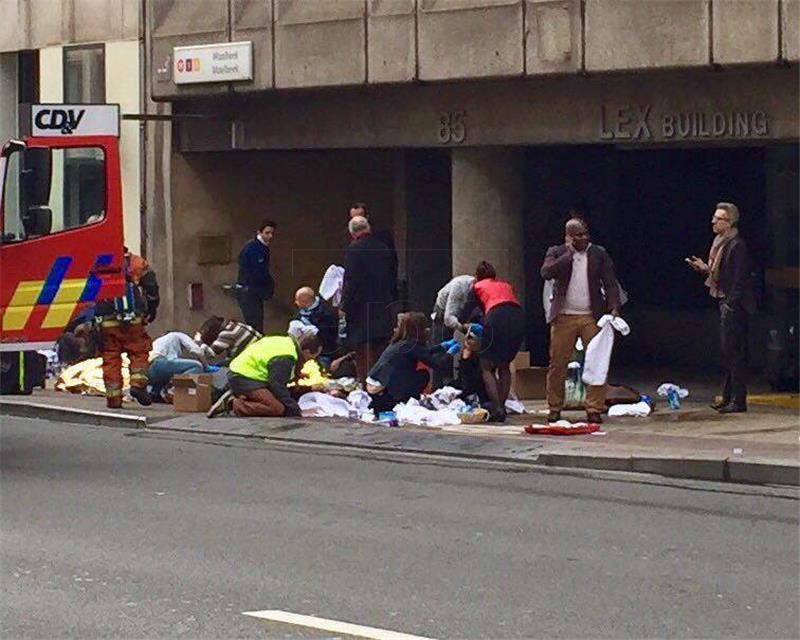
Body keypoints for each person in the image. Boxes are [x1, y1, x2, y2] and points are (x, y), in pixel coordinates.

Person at [540, 217, 621, 424]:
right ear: (568, 237)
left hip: (591, 315)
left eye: (585, 233)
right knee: (558, 363)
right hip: (563, 316)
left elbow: (611, 283)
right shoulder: (556, 252)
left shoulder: (599, 253)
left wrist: (613, 308)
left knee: (597, 361)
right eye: (578, 235)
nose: (584, 238)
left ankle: (594, 407)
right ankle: (555, 406)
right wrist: (568, 254)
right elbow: (546, 272)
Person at [687, 202, 756, 413]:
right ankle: (728, 397)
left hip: (734, 304)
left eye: (719, 219)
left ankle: (738, 399)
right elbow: (720, 274)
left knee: (734, 352)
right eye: (714, 218)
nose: (714, 222)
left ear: (730, 222)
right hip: (724, 299)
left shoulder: (736, 245)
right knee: (727, 352)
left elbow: (739, 279)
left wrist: (730, 304)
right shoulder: (720, 243)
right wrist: (705, 269)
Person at [95, 249, 159, 409]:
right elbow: (151, 285)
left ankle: (113, 398)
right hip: (132, 318)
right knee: (138, 352)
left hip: (106, 319)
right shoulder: (134, 262)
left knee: (111, 358)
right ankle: (138, 384)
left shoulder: (95, 262)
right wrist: (151, 308)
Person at [210, 334, 322, 418]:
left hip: (244, 372)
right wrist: (297, 411)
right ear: (306, 351)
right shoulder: (287, 356)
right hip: (245, 377)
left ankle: (245, 398)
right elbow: (277, 386)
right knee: (277, 409)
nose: (310, 360)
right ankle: (234, 404)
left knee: (276, 402)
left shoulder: (286, 341)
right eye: (312, 357)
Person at [468, 261, 525, 423]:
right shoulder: (505, 285)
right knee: (504, 364)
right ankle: (503, 406)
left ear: (477, 276)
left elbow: (471, 310)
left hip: (496, 316)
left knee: (486, 365)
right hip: (517, 316)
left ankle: (497, 407)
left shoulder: (477, 287)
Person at [341, 216, 395, 381]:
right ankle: (381, 385)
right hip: (383, 305)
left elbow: (351, 280)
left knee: (364, 352)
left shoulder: (354, 250)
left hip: (361, 309)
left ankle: (366, 387)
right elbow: (392, 277)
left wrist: (344, 305)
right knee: (381, 350)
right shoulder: (383, 248)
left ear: (353, 233)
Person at [366, 312, 454, 413]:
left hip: (375, 386)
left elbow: (422, 353)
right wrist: (450, 354)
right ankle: (403, 400)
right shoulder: (411, 345)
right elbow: (437, 365)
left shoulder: (400, 343)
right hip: (386, 391)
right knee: (423, 375)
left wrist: (441, 347)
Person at [431, 274, 476, 388]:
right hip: (443, 312)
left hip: (462, 310)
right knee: (442, 349)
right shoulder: (459, 286)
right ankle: (439, 386)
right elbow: (448, 318)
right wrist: (463, 328)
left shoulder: (477, 290)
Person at [349, 202, 398, 297]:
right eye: (353, 218)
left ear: (366, 217)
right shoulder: (349, 239)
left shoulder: (382, 237)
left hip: (380, 288)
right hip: (358, 292)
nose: (356, 221)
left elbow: (392, 262)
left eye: (359, 217)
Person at [236, 219, 276, 333]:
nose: (270, 236)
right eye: (267, 233)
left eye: (272, 233)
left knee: (256, 323)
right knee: (255, 325)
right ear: (260, 232)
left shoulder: (261, 248)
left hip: (253, 292)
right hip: (249, 292)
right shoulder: (254, 248)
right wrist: (268, 285)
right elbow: (259, 272)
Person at [148, 331, 208, 400]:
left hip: (148, 371)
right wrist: (206, 366)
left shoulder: (157, 341)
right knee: (197, 366)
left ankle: (155, 393)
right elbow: (198, 351)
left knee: (167, 373)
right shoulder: (177, 334)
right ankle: (173, 390)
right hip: (160, 363)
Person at [293, 286, 339, 367]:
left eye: (297, 300)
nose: (295, 302)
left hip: (323, 354)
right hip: (303, 353)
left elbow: (328, 338)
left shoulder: (325, 314)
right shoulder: (300, 312)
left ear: (305, 301)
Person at [196, 316, 262, 362]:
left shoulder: (226, 333)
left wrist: (199, 341)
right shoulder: (237, 325)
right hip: (259, 352)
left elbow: (210, 354)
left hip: (253, 357)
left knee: (218, 366)